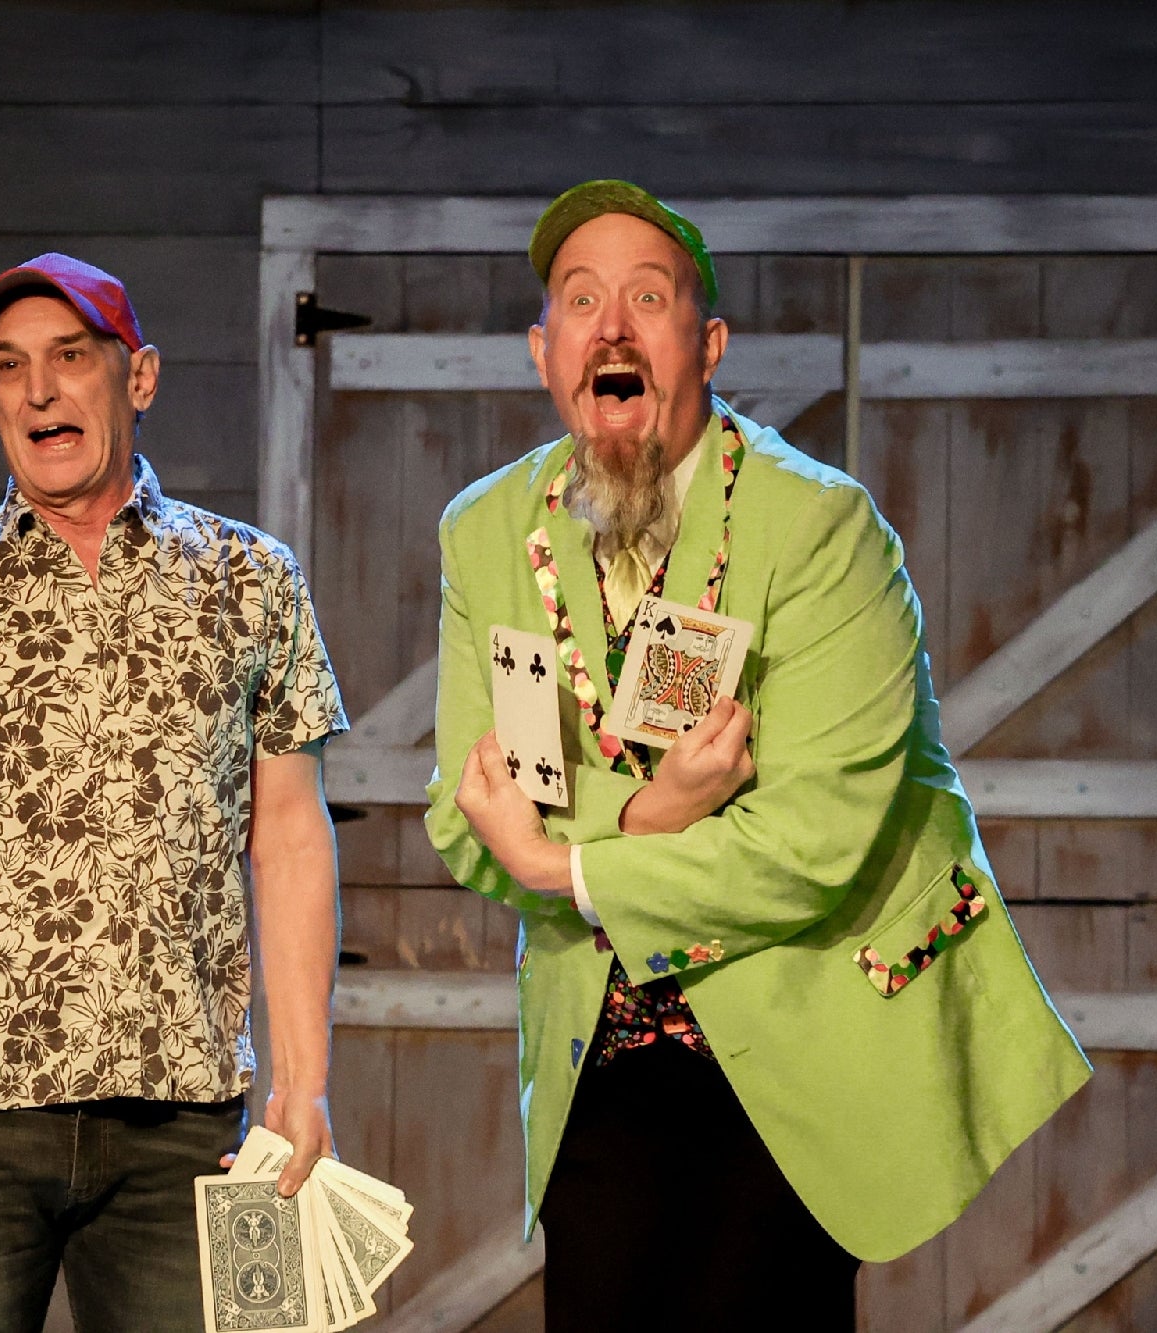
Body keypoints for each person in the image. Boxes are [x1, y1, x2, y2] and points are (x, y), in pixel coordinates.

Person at [425, 181, 1091, 1327]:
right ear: (545, 352)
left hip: (787, 1040)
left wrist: (560, 862)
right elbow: (463, 818)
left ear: (708, 343)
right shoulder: (487, 531)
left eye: (649, 296)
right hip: (603, 1058)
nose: (612, 326)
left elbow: (810, 845)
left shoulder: (818, 529)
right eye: (580, 301)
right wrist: (644, 821)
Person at [0, 253, 348, 1331]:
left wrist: (303, 1081)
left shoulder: (249, 577)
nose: (39, 389)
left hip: (189, 1123)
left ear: (137, 379)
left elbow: (288, 837)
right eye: (8, 368)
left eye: (69, 359)